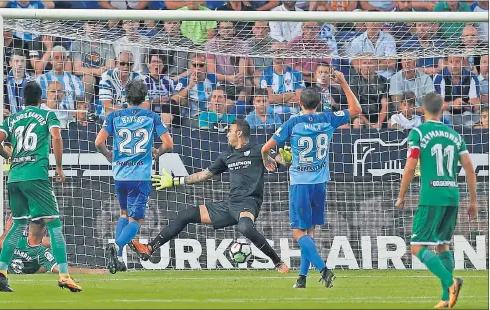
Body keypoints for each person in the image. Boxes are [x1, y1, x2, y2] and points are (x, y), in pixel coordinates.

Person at [128, 119, 291, 273]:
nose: (227, 134)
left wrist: (286, 159)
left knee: (245, 227)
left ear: (239, 133)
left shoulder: (258, 150)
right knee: (185, 215)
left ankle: (278, 262)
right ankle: (149, 248)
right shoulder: (227, 156)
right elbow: (204, 175)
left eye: (230, 131)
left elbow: (278, 159)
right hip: (230, 205)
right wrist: (174, 181)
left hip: (248, 202)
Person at [260, 70, 362, 289]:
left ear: (299, 102)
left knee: (298, 232)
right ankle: (302, 278)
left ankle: (324, 270)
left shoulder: (293, 123)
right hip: (320, 183)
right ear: (319, 103)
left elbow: (265, 148)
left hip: (300, 183)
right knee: (310, 232)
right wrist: (343, 82)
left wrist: (268, 159)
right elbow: (357, 110)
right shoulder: (328, 118)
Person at [0, 81, 81, 292]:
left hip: (14, 178)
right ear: (41, 99)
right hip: (35, 176)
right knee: (54, 225)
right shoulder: (48, 116)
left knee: (19, 225)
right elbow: (56, 136)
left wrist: (9, 157)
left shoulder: (12, 119)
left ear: (22, 99)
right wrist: (58, 167)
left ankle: (2, 272)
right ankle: (65, 275)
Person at [395, 92, 477, 308]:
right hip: (452, 195)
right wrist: (473, 201)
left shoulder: (418, 132)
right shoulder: (454, 135)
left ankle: (451, 283)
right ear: (442, 110)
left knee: (416, 246)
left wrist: (401, 195)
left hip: (431, 195)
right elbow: (469, 168)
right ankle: (445, 298)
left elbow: (411, 167)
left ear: (422, 110)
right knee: (442, 245)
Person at [94, 79, 173, 274]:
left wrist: (108, 155)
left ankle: (119, 258)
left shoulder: (115, 116)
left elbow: (98, 142)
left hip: (120, 174)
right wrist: (157, 152)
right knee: (136, 221)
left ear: (125, 96)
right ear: (144, 97)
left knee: (123, 214)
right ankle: (116, 245)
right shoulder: (151, 117)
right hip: (140, 176)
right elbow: (169, 144)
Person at [0, 217, 106, 275]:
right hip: (32, 266)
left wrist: (7, 230)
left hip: (8, 270)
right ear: (45, 231)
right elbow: (64, 270)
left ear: (28, 229)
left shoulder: (16, 239)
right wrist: (93, 271)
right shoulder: (43, 253)